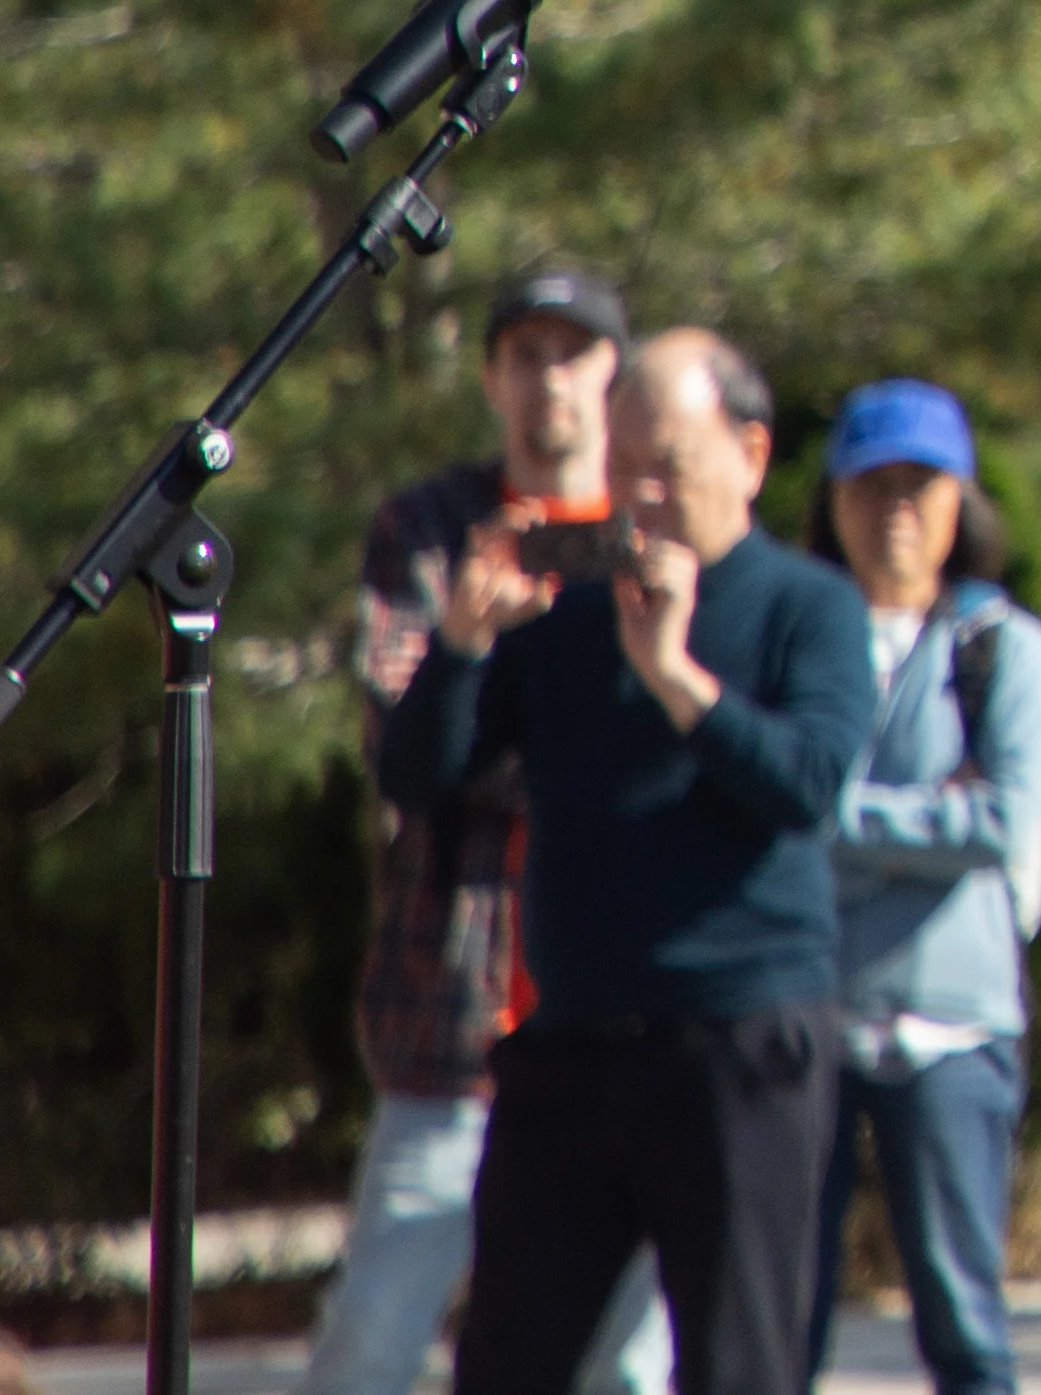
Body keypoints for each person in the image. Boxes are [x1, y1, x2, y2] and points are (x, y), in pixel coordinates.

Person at [377, 324, 878, 1395]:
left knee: (740, 1363)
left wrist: (674, 677)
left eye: (671, 465)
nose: (642, 494)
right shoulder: (563, 611)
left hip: (740, 1040)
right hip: (571, 1043)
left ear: (750, 453)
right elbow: (421, 774)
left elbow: (807, 784)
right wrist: (463, 642)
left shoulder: (810, 606)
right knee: (506, 1358)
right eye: (626, 465)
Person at [311, 264, 671, 1395]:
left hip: (625, 1017)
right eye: (527, 354)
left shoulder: (657, 530)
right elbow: (409, 750)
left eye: (575, 355)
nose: (550, 381)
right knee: (371, 1343)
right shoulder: (430, 531)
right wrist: (480, 660)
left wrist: (505, 718)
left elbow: (690, 739)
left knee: (628, 1367)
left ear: (618, 378)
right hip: (453, 1018)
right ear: (491, 376)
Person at [811, 378, 1041, 1395]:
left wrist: (838, 817)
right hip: (811, 1021)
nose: (895, 511)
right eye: (870, 486)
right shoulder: (800, 633)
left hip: (953, 1029)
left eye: (919, 486)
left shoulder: (1002, 647)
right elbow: (754, 796)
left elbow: (1007, 816)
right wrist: (927, 816)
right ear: (832, 500)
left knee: (963, 1321)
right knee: (776, 1312)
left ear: (961, 500)